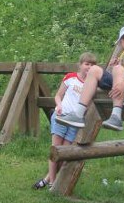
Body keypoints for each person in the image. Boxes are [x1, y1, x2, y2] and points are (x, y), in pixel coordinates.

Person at [56, 23, 124, 131]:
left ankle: (116, 116)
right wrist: (117, 70)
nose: (122, 47)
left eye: (121, 43)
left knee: (118, 69)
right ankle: (78, 114)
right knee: (94, 70)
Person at [33, 52, 97, 190]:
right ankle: (52, 184)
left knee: (64, 154)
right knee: (55, 150)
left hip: (75, 122)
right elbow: (58, 96)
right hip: (61, 117)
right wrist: (59, 105)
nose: (89, 67)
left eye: (92, 65)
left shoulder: (93, 84)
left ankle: (46, 180)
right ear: (80, 65)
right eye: (87, 64)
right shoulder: (70, 77)